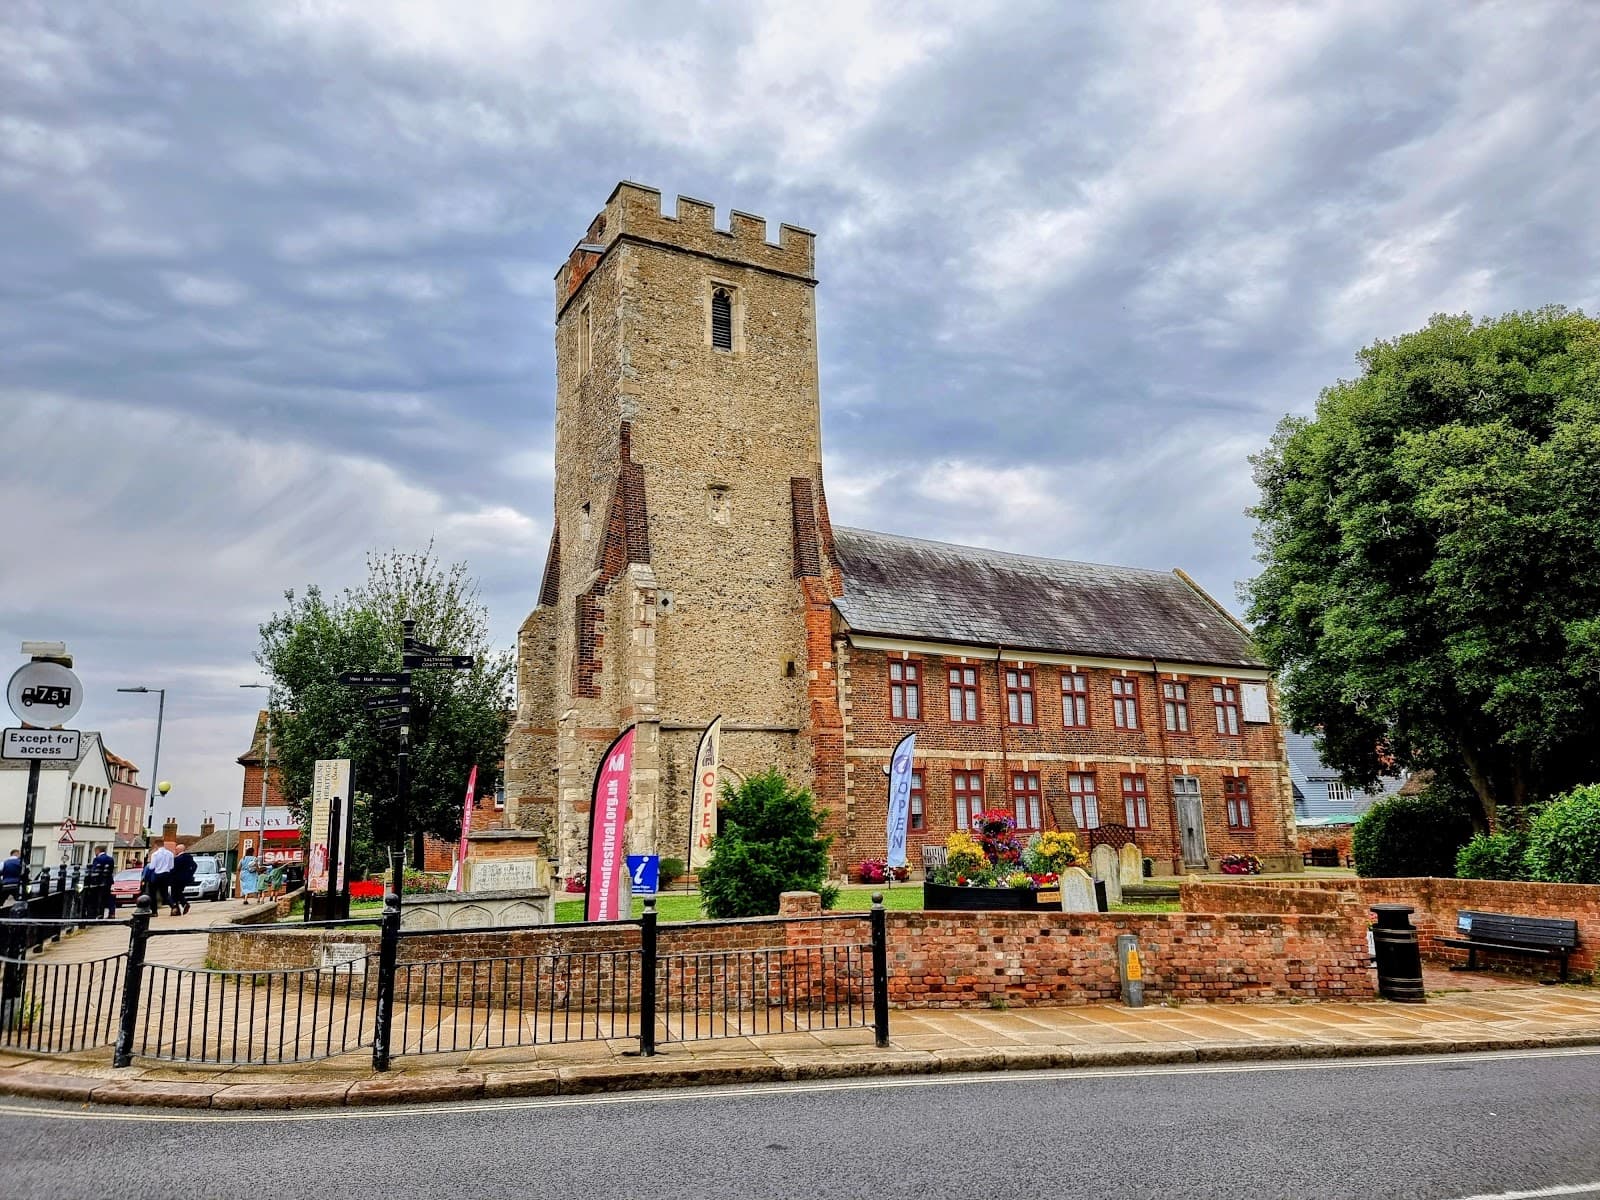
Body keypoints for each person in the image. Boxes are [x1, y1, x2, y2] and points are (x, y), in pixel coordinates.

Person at [147, 842, 175, 914]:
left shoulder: (155, 854)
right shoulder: (170, 854)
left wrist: (149, 864)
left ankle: (154, 911)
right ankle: (173, 905)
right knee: (165, 892)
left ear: (156, 845)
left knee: (153, 893)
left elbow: (152, 867)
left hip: (157, 875)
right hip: (166, 874)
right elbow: (171, 866)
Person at [171, 843, 196, 916]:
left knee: (175, 893)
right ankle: (179, 908)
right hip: (186, 879)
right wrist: (190, 874)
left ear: (179, 850)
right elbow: (195, 866)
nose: (175, 850)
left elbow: (173, 870)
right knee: (178, 892)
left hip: (176, 879)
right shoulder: (189, 857)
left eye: (176, 849)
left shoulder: (177, 859)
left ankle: (183, 905)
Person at [91, 845, 116, 917]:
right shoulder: (110, 859)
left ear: (98, 851)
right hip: (108, 881)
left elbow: (94, 870)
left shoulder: (97, 859)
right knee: (108, 896)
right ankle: (112, 912)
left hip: (99, 881)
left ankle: (99, 913)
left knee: (99, 897)